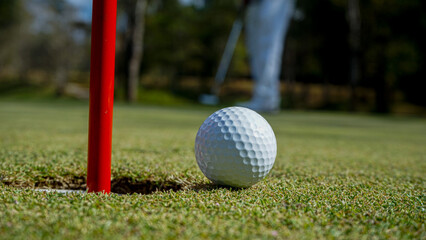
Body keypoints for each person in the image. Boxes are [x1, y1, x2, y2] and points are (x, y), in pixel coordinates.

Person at [239, 0, 296, 113]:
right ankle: (260, 97)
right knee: (254, 47)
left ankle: (267, 98)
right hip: (255, 3)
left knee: (268, 46)